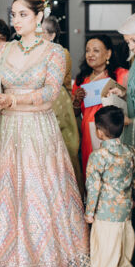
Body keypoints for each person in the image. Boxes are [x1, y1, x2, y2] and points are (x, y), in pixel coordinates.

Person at [0, 0, 99, 267]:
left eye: (23, 14)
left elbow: (49, 94)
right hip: (8, 134)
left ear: (39, 17)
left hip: (39, 134)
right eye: (13, 14)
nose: (16, 20)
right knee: (8, 200)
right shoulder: (3, 50)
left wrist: (13, 101)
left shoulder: (54, 52)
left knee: (41, 198)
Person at [84, 106, 135, 267]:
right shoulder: (131, 152)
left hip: (105, 213)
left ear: (99, 132)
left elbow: (93, 187)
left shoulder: (98, 157)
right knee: (125, 246)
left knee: (107, 251)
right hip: (125, 211)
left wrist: (89, 212)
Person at [72, 35, 127, 179]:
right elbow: (76, 113)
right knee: (92, 175)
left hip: (113, 133)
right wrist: (77, 101)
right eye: (87, 50)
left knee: (112, 176)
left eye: (95, 50)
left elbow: (131, 104)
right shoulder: (81, 79)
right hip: (89, 133)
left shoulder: (121, 75)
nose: (90, 54)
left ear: (108, 54)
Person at [42, 16, 83, 197]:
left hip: (58, 102)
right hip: (43, 100)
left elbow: (52, 81)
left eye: (41, 33)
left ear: (52, 36)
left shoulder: (60, 52)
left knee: (63, 147)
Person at [115, 13, 135, 153]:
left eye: (134, 40)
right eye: (128, 42)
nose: (131, 47)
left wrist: (131, 121)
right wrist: (123, 94)